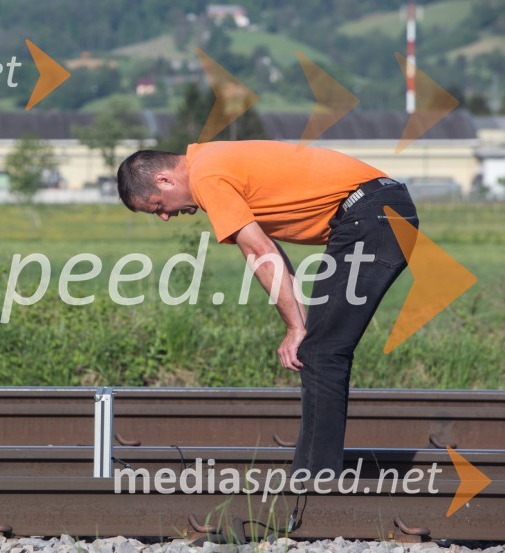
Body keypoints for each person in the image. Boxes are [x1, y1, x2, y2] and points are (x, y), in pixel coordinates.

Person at [116, 140, 419, 475]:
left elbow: (260, 254)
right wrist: (300, 323)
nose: (164, 216)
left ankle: (316, 485)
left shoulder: (205, 176)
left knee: (322, 353)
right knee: (318, 351)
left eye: (157, 206)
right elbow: (265, 249)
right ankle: (310, 478)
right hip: (375, 213)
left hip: (371, 216)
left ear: (164, 180)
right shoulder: (210, 162)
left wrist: (296, 328)